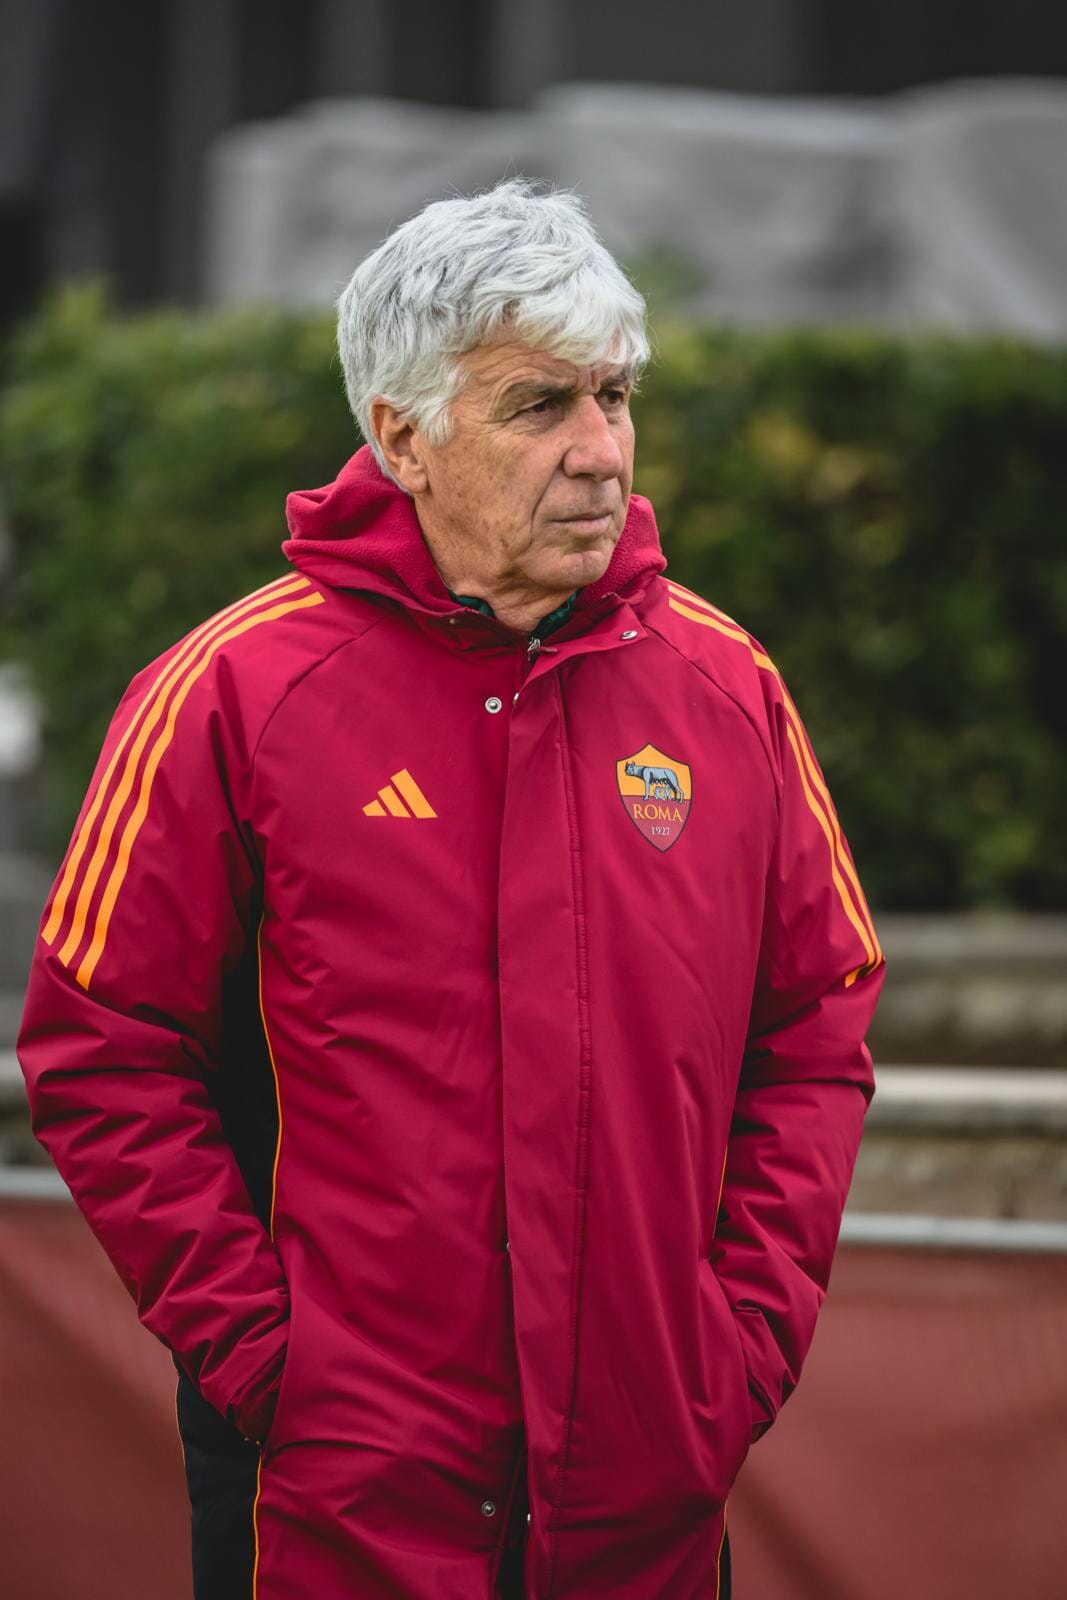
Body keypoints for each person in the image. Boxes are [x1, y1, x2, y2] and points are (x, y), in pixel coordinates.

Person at [18, 178, 885, 1600]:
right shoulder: (229, 695)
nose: (602, 451)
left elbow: (819, 1018)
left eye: (616, 395)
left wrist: (735, 1352)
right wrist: (265, 1360)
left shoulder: (728, 688)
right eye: (540, 405)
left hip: (648, 1507)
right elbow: (100, 1047)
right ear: (403, 438)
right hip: (338, 1512)